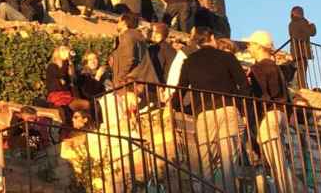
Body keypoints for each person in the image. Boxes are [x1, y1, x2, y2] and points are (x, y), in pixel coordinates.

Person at [175, 28, 250, 191]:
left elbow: (179, 92)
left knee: (205, 164)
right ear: (212, 37)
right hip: (227, 108)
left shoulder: (189, 61)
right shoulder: (227, 57)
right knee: (228, 163)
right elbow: (244, 85)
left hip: (204, 113)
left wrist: (188, 108)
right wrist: (241, 107)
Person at [244, 30, 301, 193]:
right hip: (280, 114)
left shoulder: (259, 68)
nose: (248, 48)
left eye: (250, 44)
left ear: (258, 46)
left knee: (277, 163)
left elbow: (264, 94)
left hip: (269, 115)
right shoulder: (275, 67)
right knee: (279, 160)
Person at [109, 13, 159, 88]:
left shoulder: (128, 36)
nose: (117, 24)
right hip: (141, 82)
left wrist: (120, 79)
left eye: (118, 21)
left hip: (131, 84)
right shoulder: (136, 36)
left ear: (124, 23)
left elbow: (129, 59)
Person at [46, 45, 77, 125]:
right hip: (57, 97)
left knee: (85, 105)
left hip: (68, 95)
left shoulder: (66, 66)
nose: (66, 52)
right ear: (57, 53)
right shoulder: (52, 66)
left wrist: (70, 65)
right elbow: (61, 75)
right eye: (63, 50)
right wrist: (66, 62)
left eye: (67, 50)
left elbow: (72, 80)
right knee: (63, 111)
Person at [288, 6, 316, 90]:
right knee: (302, 71)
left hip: (295, 51)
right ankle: (303, 88)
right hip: (302, 51)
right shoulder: (303, 22)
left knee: (299, 70)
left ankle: (301, 86)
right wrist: (312, 25)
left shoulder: (291, 23)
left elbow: (294, 34)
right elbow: (312, 32)